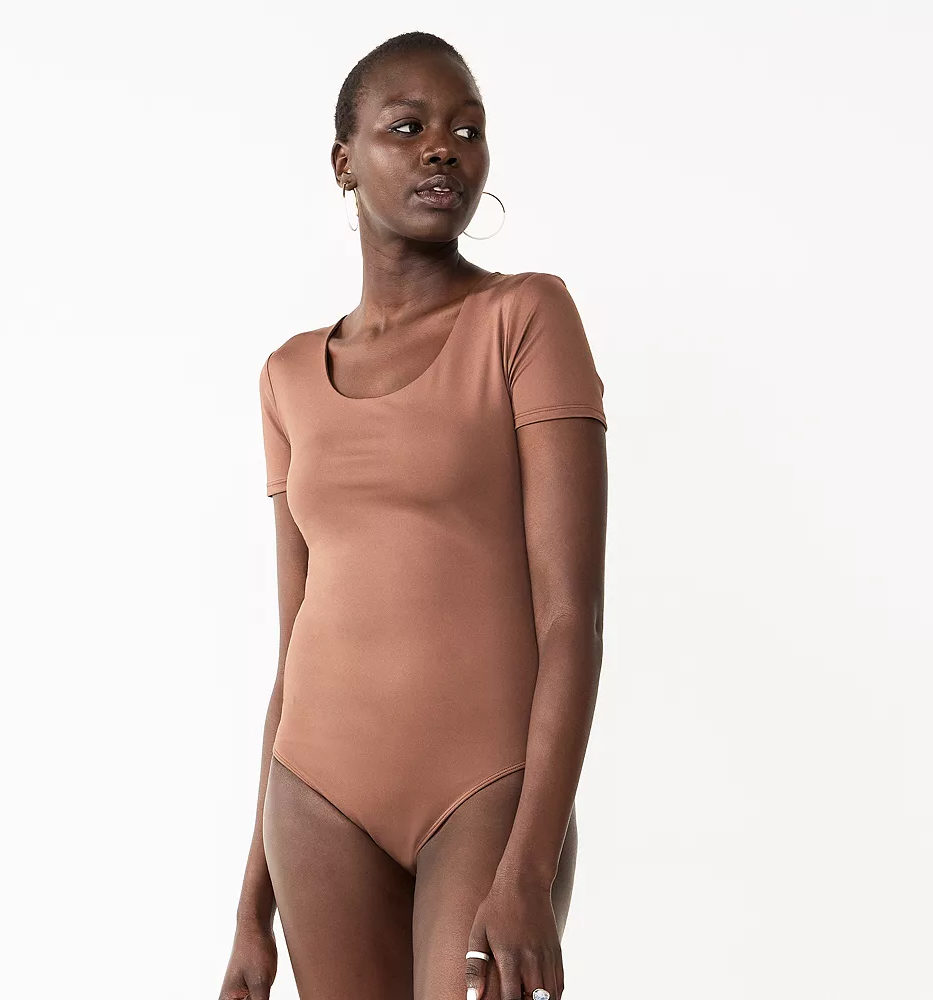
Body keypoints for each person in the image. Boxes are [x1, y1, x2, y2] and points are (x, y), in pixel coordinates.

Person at [218, 31, 607, 1000]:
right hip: (315, 793)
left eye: (468, 130)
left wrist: (526, 870)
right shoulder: (286, 376)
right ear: (343, 162)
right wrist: (249, 912)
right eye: (409, 127)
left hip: (486, 789)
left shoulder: (526, 318)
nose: (444, 148)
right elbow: (293, 646)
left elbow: (572, 620)